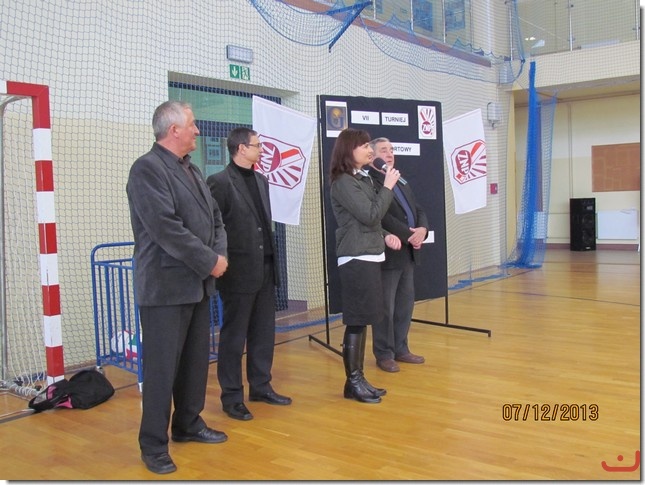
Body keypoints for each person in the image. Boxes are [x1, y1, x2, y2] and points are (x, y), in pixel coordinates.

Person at [126, 100, 229, 475]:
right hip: (165, 289)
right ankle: (153, 444)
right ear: (173, 130)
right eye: (192, 124)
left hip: (198, 286)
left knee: (194, 363)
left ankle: (188, 423)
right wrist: (210, 260)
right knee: (162, 369)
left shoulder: (192, 169)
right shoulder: (146, 170)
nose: (197, 130)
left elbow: (215, 219)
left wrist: (219, 254)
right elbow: (166, 229)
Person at [206, 127, 292, 422]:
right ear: (241, 148)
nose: (261, 150)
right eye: (257, 145)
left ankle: (261, 386)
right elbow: (215, 227)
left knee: (263, 332)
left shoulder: (261, 180)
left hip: (265, 268)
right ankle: (231, 397)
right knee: (234, 337)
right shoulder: (219, 182)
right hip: (237, 272)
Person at [329, 128, 402, 404]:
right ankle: (353, 381)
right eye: (364, 146)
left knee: (364, 320)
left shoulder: (363, 178)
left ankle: (358, 380)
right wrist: (388, 187)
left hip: (370, 254)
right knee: (357, 320)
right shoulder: (343, 182)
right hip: (356, 257)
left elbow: (370, 221)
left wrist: (386, 235)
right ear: (349, 150)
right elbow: (370, 215)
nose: (370, 151)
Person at [367, 137, 428, 372]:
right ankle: (384, 353)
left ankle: (401, 349)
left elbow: (417, 209)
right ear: (372, 157)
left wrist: (422, 230)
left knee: (404, 305)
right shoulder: (371, 183)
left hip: (407, 254)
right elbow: (381, 217)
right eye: (384, 150)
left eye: (392, 149)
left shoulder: (400, 179)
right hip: (389, 254)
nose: (390, 153)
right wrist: (408, 235)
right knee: (386, 308)